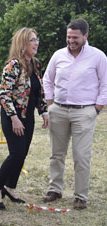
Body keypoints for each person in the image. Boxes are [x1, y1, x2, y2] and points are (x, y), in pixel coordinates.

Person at [42, 18, 107, 210]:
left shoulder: (98, 57)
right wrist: (50, 103)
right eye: (69, 37)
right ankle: (55, 189)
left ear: (86, 36)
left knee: (81, 156)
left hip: (84, 111)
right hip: (59, 110)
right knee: (56, 154)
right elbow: (47, 79)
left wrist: (96, 109)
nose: (71, 41)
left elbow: (105, 84)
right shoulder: (58, 55)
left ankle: (80, 196)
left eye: (75, 37)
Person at [0, 28, 49, 210]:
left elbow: (39, 91)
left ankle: (10, 187)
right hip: (13, 116)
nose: (36, 43)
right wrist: (14, 118)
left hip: (28, 117)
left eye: (36, 39)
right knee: (15, 154)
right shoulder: (12, 65)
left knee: (22, 154)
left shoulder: (35, 65)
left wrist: (44, 111)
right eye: (32, 40)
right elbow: (4, 94)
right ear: (22, 44)